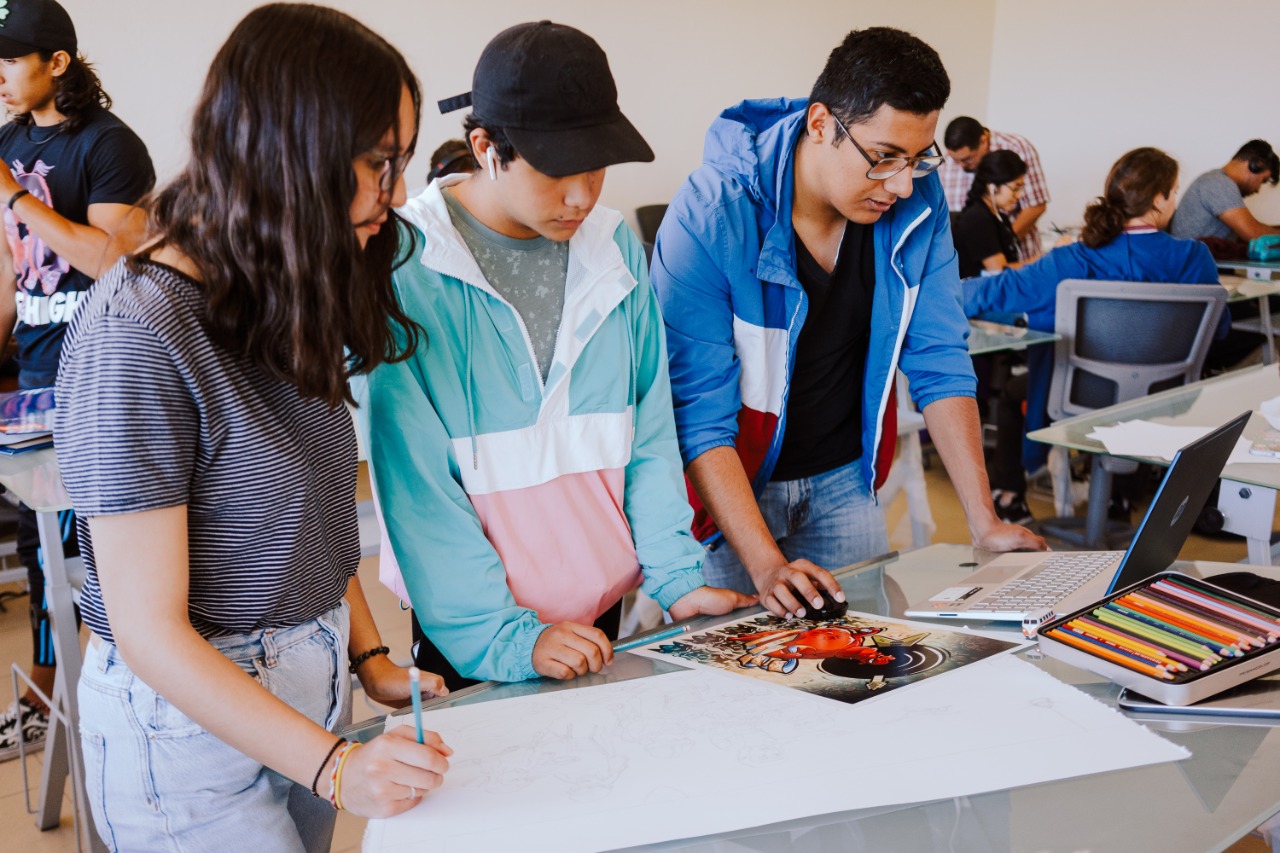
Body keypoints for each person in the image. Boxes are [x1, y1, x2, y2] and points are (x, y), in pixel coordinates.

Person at [54, 6, 452, 849]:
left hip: (307, 685)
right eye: (381, 161)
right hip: (185, 724)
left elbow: (304, 515)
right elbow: (150, 630)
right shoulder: (139, 328)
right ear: (292, 154)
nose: (399, 194)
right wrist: (338, 766)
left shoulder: (279, 283)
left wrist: (368, 654)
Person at [365, 21, 754, 691]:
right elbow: (418, 492)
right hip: (471, 632)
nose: (582, 196)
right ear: (485, 147)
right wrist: (507, 637)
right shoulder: (405, 261)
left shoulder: (614, 248)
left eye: (596, 167)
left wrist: (678, 578)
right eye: (556, 172)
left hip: (603, 611)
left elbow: (650, 436)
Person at [650, 27, 1045, 620]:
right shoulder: (711, 214)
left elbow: (938, 355)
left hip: (844, 482)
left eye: (918, 158)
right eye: (883, 158)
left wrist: (983, 520)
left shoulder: (919, 200)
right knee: (741, 681)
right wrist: (765, 563)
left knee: (869, 658)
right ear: (819, 125)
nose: (902, 184)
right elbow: (697, 413)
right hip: (737, 487)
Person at [0, 0, 154, 760]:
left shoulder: (109, 145)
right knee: (40, 548)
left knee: (97, 548)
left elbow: (110, 259)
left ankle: (101, 698)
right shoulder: (8, 142)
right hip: (32, 373)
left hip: (99, 371)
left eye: (10, 57)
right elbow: (11, 265)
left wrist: (16, 195)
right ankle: (44, 700)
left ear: (56, 62)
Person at [963, 147, 1227, 522]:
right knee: (1134, 402)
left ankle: (1010, 495)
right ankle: (1119, 501)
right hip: (1162, 398)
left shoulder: (1072, 258)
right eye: (1174, 192)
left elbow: (996, 289)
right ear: (1158, 199)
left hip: (1079, 395)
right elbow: (1219, 330)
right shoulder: (1194, 258)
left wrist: (931, 297)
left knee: (1011, 395)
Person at [940, 116, 1049, 260]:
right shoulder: (946, 165)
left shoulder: (1017, 147)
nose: (961, 166)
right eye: (955, 160)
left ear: (983, 140)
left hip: (1015, 256)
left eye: (967, 159)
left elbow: (1035, 205)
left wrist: (1002, 247)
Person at [1170, 139, 1280, 243]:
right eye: (1263, 180)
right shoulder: (1219, 183)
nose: (1258, 189)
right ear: (1256, 165)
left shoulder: (1214, 180)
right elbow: (1253, 233)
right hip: (1192, 261)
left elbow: (1254, 228)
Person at [953, 149, 1028, 278]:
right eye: (1015, 188)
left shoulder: (999, 217)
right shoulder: (977, 219)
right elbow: (999, 271)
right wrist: (1046, 259)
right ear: (991, 187)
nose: (1019, 195)